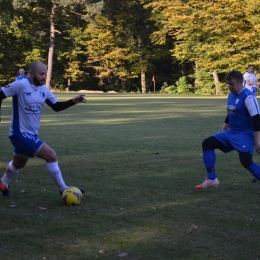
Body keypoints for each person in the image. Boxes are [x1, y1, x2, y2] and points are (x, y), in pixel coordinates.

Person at [0, 61, 87, 197]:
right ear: (31, 74)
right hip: (19, 133)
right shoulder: (21, 85)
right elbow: (1, 93)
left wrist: (73, 101)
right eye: (41, 74)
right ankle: (63, 189)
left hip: (32, 134)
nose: (44, 77)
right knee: (51, 155)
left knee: (19, 163)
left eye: (45, 74)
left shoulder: (44, 90)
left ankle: (3, 183)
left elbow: (56, 106)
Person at [196, 70, 260, 189]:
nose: (229, 87)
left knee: (246, 161)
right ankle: (211, 178)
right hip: (231, 133)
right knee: (208, 143)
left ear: (241, 82)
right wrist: (223, 132)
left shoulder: (248, 96)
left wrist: (257, 142)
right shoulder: (231, 95)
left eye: (232, 84)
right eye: (228, 84)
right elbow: (230, 114)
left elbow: (257, 119)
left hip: (245, 134)